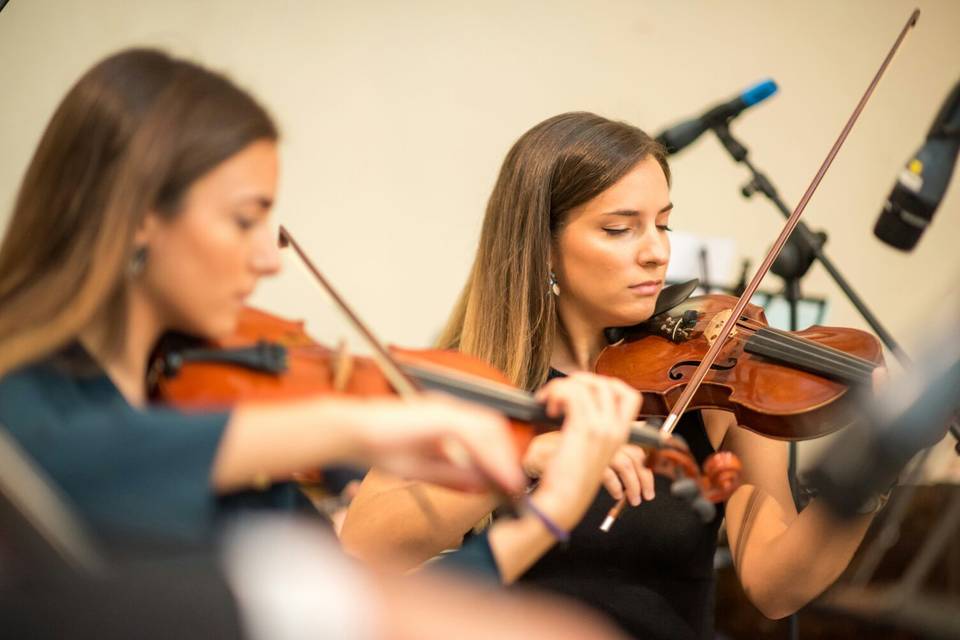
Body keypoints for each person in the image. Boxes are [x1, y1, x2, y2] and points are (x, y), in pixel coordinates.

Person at [0, 48, 639, 586]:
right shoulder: (31, 397)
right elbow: (60, 464)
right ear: (137, 213)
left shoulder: (226, 417)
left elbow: (348, 606)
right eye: (244, 220)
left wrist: (550, 510)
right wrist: (349, 427)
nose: (267, 260)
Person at [341, 112, 888, 639]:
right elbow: (366, 547)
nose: (657, 252)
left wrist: (879, 466)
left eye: (664, 223)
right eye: (620, 228)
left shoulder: (716, 383)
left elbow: (776, 589)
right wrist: (523, 460)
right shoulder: (473, 381)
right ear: (544, 247)